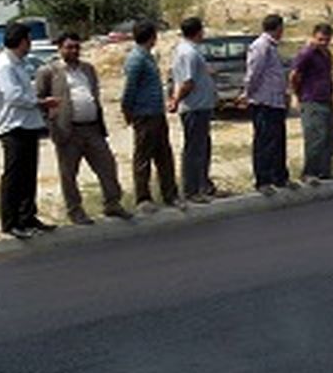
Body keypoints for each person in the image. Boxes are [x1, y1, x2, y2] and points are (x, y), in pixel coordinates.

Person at [36, 33, 131, 225]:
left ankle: (112, 204)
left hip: (92, 128)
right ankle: (75, 211)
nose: (73, 51)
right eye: (69, 47)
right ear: (60, 49)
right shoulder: (49, 72)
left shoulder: (88, 69)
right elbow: (39, 100)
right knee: (69, 174)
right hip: (68, 131)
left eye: (76, 47)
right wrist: (52, 123)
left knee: (107, 166)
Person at [0, 22, 59, 239]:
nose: (30, 44)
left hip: (28, 124)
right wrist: (40, 102)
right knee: (15, 176)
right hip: (13, 126)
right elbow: (13, 96)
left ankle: (28, 216)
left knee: (29, 174)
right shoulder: (4, 65)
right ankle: (11, 222)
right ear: (21, 41)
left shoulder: (19, 63)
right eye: (28, 40)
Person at [121, 20, 181, 213]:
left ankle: (170, 194)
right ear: (152, 37)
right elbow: (130, 89)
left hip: (156, 113)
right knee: (143, 157)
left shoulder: (147, 57)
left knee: (164, 155)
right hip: (144, 115)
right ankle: (143, 198)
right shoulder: (136, 59)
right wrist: (128, 111)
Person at [168, 17, 218, 204]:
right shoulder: (188, 52)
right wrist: (175, 100)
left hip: (202, 105)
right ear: (199, 31)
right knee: (194, 149)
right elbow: (187, 82)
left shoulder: (191, 51)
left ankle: (203, 185)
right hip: (194, 107)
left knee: (203, 147)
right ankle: (191, 190)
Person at [241, 14, 292, 195]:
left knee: (278, 141)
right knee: (264, 142)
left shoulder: (272, 47)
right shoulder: (260, 46)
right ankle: (263, 180)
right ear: (278, 28)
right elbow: (254, 73)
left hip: (275, 101)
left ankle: (280, 177)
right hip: (263, 102)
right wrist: (247, 94)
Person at [290, 23, 333, 184]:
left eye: (327, 39)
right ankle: (309, 173)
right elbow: (294, 75)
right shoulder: (307, 53)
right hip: (311, 99)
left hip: (326, 99)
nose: (323, 42)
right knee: (316, 137)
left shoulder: (326, 54)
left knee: (330, 137)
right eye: (320, 39)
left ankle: (324, 171)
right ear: (314, 36)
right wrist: (299, 95)